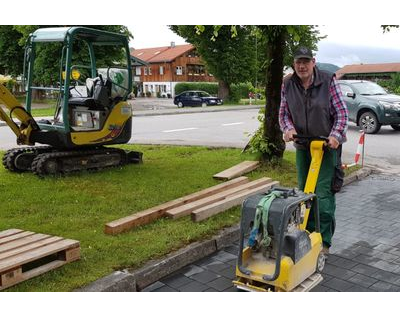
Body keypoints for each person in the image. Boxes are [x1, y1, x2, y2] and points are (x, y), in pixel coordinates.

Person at [279, 46, 348, 256]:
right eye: (298, 62)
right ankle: (306, 235)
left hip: (326, 147)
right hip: (303, 146)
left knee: (324, 195)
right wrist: (288, 129)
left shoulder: (328, 80)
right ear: (294, 63)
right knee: (304, 193)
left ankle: (324, 242)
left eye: (306, 61)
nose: (302, 66)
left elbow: (342, 114)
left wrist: (336, 135)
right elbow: (283, 114)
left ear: (313, 62)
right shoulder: (288, 83)